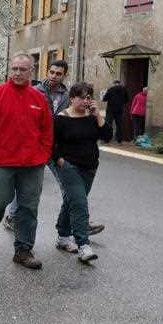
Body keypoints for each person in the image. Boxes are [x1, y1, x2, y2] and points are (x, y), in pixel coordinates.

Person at [2, 60, 105, 236]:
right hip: (35, 145)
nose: (53, 76)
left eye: (58, 73)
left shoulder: (67, 95)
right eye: (51, 72)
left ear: (64, 75)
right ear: (47, 72)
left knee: (70, 185)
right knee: (27, 183)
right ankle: (12, 216)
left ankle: (80, 221)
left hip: (56, 146)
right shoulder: (35, 91)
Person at [0, 54, 54, 269]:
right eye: (14, 68)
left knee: (28, 207)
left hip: (32, 164)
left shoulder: (39, 99)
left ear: (31, 72)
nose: (17, 73)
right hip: (3, 161)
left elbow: (47, 130)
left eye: (22, 69)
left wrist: (44, 154)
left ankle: (23, 251)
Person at [52, 83, 112, 262]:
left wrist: (98, 116)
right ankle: (83, 245)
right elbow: (50, 143)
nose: (86, 101)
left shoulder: (92, 117)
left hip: (90, 166)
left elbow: (107, 136)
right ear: (72, 98)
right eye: (82, 97)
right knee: (79, 203)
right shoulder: (61, 118)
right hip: (69, 166)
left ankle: (63, 237)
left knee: (71, 201)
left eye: (88, 97)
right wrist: (60, 160)